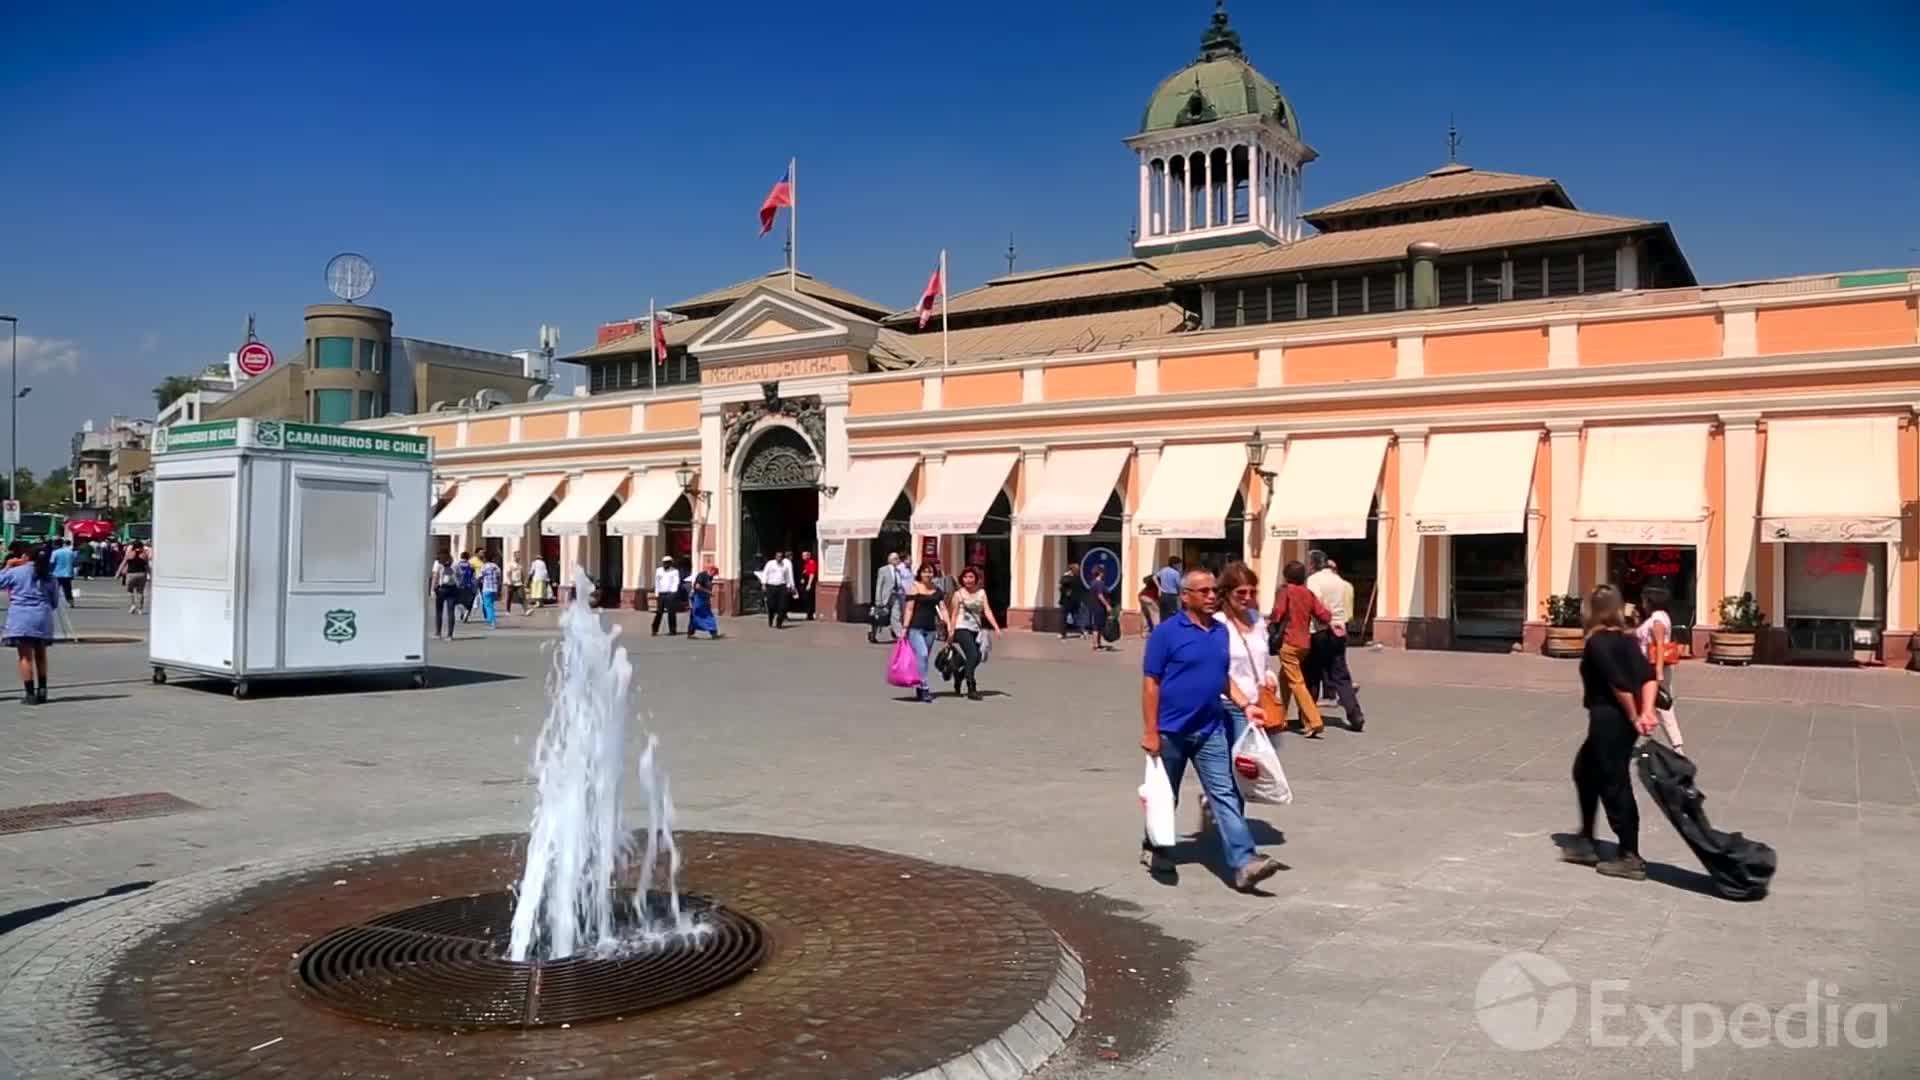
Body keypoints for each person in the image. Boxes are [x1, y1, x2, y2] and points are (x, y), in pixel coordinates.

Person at [1140, 566, 1283, 892]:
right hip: (1170, 730)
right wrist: (1150, 730)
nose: (1211, 596)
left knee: (1225, 794)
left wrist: (1246, 704)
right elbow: (1151, 683)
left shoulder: (1218, 632)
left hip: (1210, 729)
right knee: (1166, 796)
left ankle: (1244, 863)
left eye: (1213, 591)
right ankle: (1156, 847)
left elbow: (1221, 677)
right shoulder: (1166, 633)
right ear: (1185, 597)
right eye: (1203, 592)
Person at [1565, 584, 1660, 880]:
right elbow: (1648, 677)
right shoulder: (1627, 640)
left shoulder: (1597, 643)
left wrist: (1635, 715)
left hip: (1609, 721)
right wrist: (1647, 709)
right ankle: (1586, 838)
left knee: (1614, 783)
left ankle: (1630, 855)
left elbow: (1618, 684)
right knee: (1584, 770)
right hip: (1618, 721)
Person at [1267, 560, 1334, 738]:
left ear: (1286, 576)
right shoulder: (1308, 593)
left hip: (1288, 642)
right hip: (1304, 644)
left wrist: (1270, 624)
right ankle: (1280, 718)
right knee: (1285, 678)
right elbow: (1324, 615)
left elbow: (1278, 613)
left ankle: (1314, 721)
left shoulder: (1285, 591)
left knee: (1296, 682)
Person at [1304, 551, 1365, 732]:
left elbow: (1313, 605)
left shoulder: (1314, 580)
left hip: (1320, 630)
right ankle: (1355, 714)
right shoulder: (1341, 582)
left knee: (1313, 674)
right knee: (1341, 675)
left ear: (1313, 564)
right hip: (1339, 631)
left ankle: (1309, 716)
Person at [0, 546, 60, 704]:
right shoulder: (49, 576)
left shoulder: (16, 572)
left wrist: (7, 566)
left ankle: (30, 694)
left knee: (25, 657)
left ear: (26, 556)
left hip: (21, 617)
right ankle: (43, 690)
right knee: (41, 654)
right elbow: (54, 601)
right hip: (43, 616)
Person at [1635, 583, 1686, 756]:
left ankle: (1677, 746)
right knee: (1652, 706)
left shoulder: (1657, 620)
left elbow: (1659, 647)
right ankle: (1647, 741)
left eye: (1644, 600)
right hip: (1652, 668)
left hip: (1654, 669)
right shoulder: (1663, 616)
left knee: (1662, 707)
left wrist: (1657, 672)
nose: (1642, 603)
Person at [946, 565, 1000, 700]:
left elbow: (987, 611)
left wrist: (996, 627)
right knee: (973, 654)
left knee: (976, 657)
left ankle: (959, 676)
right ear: (962, 579)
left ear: (976, 579)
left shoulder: (981, 593)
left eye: (971, 577)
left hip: (975, 628)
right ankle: (971, 687)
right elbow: (954, 614)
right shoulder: (958, 594)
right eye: (965, 577)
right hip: (961, 627)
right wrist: (951, 631)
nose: (968, 580)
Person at [901, 561, 948, 704]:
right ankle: (925, 687)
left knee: (924, 659)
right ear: (920, 573)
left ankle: (919, 687)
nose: (928, 574)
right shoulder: (914, 588)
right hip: (916, 628)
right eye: (925, 571)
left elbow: (943, 608)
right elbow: (909, 609)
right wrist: (904, 628)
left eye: (930, 571)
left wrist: (949, 624)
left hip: (930, 629)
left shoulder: (937, 590)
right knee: (922, 654)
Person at [871, 553, 901, 644]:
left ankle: (900, 636)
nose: (898, 560)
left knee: (896, 616)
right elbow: (879, 585)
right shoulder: (883, 570)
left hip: (895, 597)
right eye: (896, 559)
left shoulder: (898, 571)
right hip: (885, 597)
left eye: (898, 558)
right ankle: (873, 633)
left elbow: (898, 583)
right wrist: (878, 600)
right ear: (891, 560)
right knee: (879, 616)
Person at [761, 550, 796, 628]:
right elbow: (765, 573)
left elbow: (788, 576)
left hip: (782, 586)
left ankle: (779, 622)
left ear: (782, 558)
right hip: (771, 586)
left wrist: (790, 586)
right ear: (775, 557)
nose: (779, 558)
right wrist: (763, 584)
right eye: (778, 556)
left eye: (781, 557)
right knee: (771, 605)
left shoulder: (785, 565)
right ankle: (771, 617)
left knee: (783, 606)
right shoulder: (770, 564)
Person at [430, 554, 461, 640]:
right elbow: (460, 575)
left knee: (439, 611)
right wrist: (458, 585)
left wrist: (432, 589)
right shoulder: (455, 564)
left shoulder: (438, 563)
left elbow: (435, 576)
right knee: (451, 612)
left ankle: (438, 633)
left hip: (441, 589)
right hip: (453, 589)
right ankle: (449, 635)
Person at [688, 562, 723, 639]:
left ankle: (692, 632)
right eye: (714, 573)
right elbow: (697, 586)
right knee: (702, 615)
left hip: (705, 599)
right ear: (711, 570)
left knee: (701, 615)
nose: (714, 575)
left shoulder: (710, 577)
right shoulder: (702, 575)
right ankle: (712, 632)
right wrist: (709, 592)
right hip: (698, 598)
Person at [1085, 565, 1113, 652]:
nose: (1104, 574)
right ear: (1100, 573)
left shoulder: (1092, 583)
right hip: (1099, 607)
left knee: (1099, 626)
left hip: (1095, 606)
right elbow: (1100, 595)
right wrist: (1107, 605)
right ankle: (1096, 645)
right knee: (1097, 627)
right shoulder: (1100, 583)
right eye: (1103, 572)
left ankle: (1099, 644)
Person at [652, 556, 682, 636]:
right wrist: (656, 593)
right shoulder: (659, 570)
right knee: (659, 612)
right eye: (665, 563)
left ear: (671, 563)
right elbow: (657, 582)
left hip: (670, 594)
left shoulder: (675, 571)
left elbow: (676, 582)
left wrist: (673, 592)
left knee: (671, 612)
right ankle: (654, 629)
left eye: (668, 562)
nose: (666, 564)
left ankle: (672, 630)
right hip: (661, 594)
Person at [119, 542, 151, 615]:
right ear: (141, 547)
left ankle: (133, 605)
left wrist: (118, 574)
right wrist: (150, 574)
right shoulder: (144, 555)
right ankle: (140, 609)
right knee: (140, 592)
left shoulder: (129, 554)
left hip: (131, 574)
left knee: (130, 591)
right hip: (142, 574)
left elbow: (123, 564)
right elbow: (147, 566)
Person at [1057, 564, 1083, 638]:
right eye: (1077, 570)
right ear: (1072, 570)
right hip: (1066, 601)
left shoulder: (1074, 578)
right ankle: (1062, 633)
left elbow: (1062, 584)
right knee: (1064, 617)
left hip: (1073, 600)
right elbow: (1061, 585)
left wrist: (1066, 576)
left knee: (1076, 616)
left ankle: (1081, 631)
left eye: (1078, 570)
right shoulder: (1068, 578)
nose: (1078, 571)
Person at [1154, 556, 1183, 623]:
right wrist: (1180, 594)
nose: (1179, 566)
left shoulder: (1163, 570)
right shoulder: (1176, 573)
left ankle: (1163, 630)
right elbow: (1179, 585)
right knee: (1172, 614)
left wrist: (1159, 588)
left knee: (1163, 615)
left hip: (1163, 595)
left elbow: (1154, 577)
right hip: (1172, 596)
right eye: (1178, 564)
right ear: (1174, 564)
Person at [49, 538, 76, 606]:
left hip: (56, 574)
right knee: (67, 589)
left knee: (55, 589)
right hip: (67, 574)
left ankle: (53, 601)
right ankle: (70, 601)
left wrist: (50, 571)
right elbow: (74, 563)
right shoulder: (70, 552)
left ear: (56, 545)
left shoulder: (55, 552)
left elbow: (52, 563)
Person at [478, 553, 502, 629]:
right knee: (491, 605)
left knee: (488, 606)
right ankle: (490, 621)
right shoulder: (496, 567)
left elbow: (479, 576)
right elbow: (499, 577)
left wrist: (480, 581)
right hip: (494, 588)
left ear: (485, 559)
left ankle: (492, 622)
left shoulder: (484, 567)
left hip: (486, 588)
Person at [454, 552, 478, 623]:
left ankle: (462, 611)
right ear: (468, 557)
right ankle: (466, 614)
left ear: (461, 557)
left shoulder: (456, 565)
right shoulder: (471, 566)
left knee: (457, 601)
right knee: (469, 602)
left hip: (458, 586)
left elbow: (454, 575)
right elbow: (473, 577)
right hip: (469, 586)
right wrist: (475, 586)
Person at [799, 550, 819, 620]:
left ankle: (810, 614)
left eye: (804, 555)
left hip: (809, 583)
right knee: (805, 598)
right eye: (802, 555)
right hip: (805, 583)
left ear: (808, 556)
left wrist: (809, 584)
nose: (803, 557)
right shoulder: (805, 563)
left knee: (809, 599)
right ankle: (808, 613)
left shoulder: (811, 562)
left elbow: (812, 574)